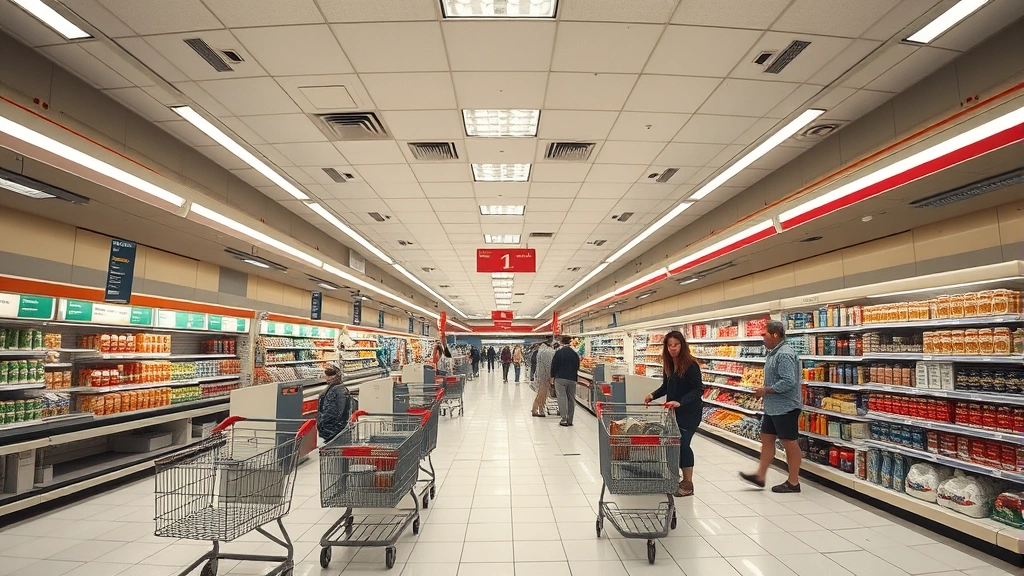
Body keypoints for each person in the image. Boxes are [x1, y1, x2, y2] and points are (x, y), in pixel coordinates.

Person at [741, 320, 803, 493]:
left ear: (775, 334)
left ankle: (793, 482)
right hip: (773, 407)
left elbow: (789, 381)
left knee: (789, 442)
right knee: (766, 437)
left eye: (764, 334)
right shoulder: (773, 353)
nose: (762, 338)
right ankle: (760, 476)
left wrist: (767, 390)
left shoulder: (784, 354)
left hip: (786, 407)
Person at [644, 331, 703, 497]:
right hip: (674, 412)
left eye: (676, 345)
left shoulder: (691, 365)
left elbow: (698, 389)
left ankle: (688, 483)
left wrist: (680, 402)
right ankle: (678, 479)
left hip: (689, 412)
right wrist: (653, 395)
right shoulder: (669, 364)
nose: (673, 348)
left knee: (683, 444)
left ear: (682, 345)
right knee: (676, 444)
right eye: (670, 345)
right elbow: (666, 386)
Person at [317, 363, 353, 442]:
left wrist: (335, 426)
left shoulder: (339, 390)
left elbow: (341, 411)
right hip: (329, 428)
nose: (326, 378)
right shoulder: (333, 387)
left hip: (333, 429)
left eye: (328, 376)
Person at [550, 335, 580, 427]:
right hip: (572, 378)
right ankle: (570, 420)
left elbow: (554, 365)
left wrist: (552, 376)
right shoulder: (575, 353)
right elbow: (577, 366)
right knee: (571, 399)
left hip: (560, 378)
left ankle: (564, 419)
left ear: (561, 342)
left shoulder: (559, 353)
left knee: (562, 397)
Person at [531, 340, 555, 417]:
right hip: (545, 377)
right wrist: (551, 376)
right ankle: (539, 410)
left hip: (541, 376)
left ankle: (536, 409)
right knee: (542, 394)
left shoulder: (540, 351)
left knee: (541, 393)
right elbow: (548, 366)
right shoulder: (548, 352)